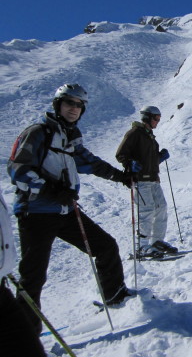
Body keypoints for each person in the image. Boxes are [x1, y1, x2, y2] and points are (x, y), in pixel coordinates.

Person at [7, 83, 133, 333]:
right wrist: (52, 190)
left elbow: (89, 163)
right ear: (58, 104)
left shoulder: (69, 137)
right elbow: (18, 170)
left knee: (106, 246)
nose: (74, 108)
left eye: (79, 105)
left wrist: (120, 177)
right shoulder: (38, 132)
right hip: (36, 213)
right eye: (69, 103)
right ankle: (25, 337)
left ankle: (115, 297)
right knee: (33, 277)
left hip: (63, 211)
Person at [0, 189, 62, 357]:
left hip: (1, 287)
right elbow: (21, 173)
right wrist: (53, 188)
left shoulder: (67, 155)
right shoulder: (27, 155)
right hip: (37, 213)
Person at [116, 105, 176, 258]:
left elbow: (149, 160)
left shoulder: (150, 137)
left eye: (159, 119)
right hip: (141, 181)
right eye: (156, 118)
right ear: (147, 117)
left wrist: (159, 157)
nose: (158, 121)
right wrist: (130, 163)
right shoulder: (135, 133)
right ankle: (142, 247)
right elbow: (121, 154)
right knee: (146, 211)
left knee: (161, 208)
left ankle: (157, 241)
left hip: (154, 180)